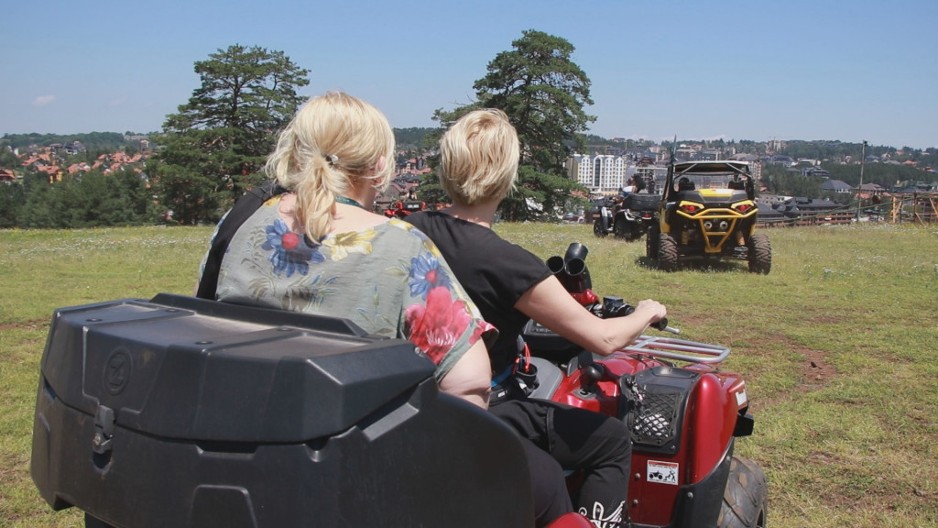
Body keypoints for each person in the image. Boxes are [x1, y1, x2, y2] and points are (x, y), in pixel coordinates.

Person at [406, 109, 668, 528]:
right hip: (481, 408)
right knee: (613, 441)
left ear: (447, 166)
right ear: (506, 176)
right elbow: (603, 339)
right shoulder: (507, 264)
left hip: (412, 402)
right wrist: (645, 312)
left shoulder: (408, 230)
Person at [197, 92, 493, 409]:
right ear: (379, 166)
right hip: (348, 449)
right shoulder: (402, 246)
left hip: (230, 427)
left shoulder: (239, 221)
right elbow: (468, 383)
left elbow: (202, 321)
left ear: (296, 151)